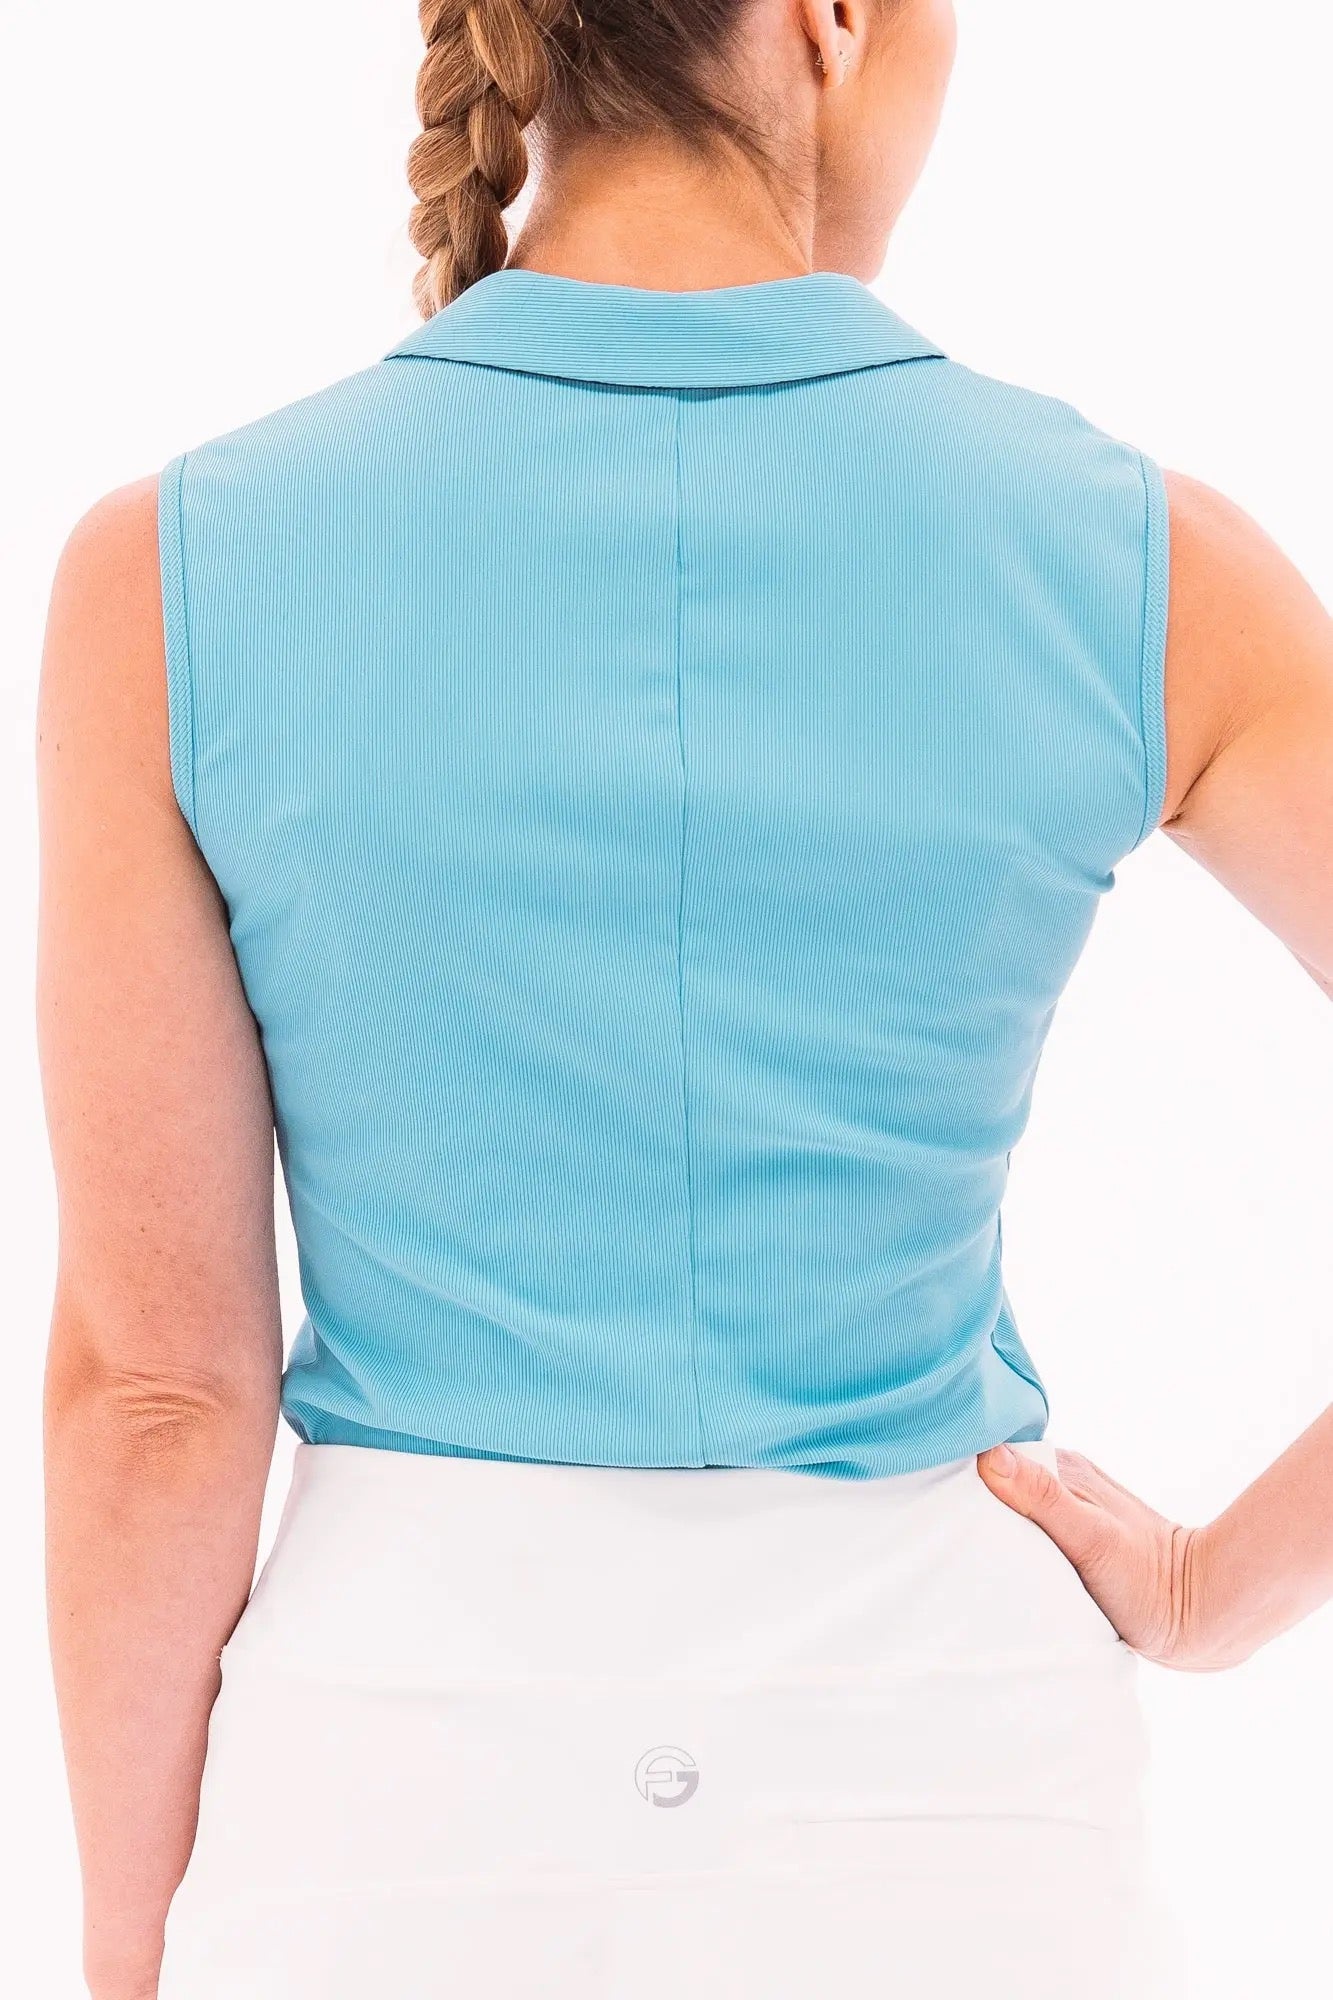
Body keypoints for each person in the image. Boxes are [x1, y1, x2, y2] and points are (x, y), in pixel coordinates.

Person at [35, 1, 1333, 1995]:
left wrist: (137, 1952)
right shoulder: (1148, 563)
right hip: (962, 1802)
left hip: (390, 1809)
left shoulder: (169, 574)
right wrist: (1206, 1590)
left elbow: (159, 1397)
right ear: (830, 15)